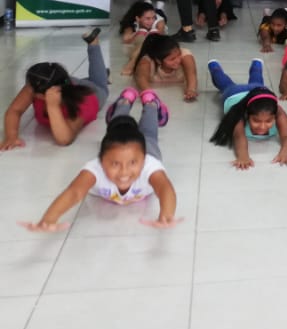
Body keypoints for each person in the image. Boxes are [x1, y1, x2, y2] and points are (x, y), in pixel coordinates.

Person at [19, 87, 178, 231]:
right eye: (115, 164)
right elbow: (74, 192)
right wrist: (49, 219)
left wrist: (167, 215)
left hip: (148, 148)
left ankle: (151, 104)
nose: (124, 171)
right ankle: (124, 101)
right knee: (116, 125)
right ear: (101, 160)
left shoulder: (149, 164)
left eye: (133, 163)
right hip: (124, 145)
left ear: (143, 161)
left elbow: (164, 188)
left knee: (149, 133)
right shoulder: (95, 168)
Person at [2, 27, 108, 149]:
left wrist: (53, 106)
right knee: (76, 81)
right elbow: (14, 110)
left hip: (93, 92)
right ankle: (88, 78)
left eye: (32, 89)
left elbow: (64, 139)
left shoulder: (83, 102)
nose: (29, 90)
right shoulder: (38, 84)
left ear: (45, 93)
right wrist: (11, 136)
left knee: (100, 83)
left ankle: (93, 44)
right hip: (65, 83)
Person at [208, 59, 287, 169]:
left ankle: (257, 64)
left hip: (258, 91)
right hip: (235, 92)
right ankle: (214, 66)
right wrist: (243, 156)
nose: (262, 127)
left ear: (275, 116)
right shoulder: (240, 114)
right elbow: (239, 137)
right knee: (225, 84)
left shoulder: (279, 112)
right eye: (256, 121)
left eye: (268, 121)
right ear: (247, 115)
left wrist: (285, 152)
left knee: (257, 84)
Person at [130, 33, 199, 102]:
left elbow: (192, 75)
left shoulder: (185, 56)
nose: (178, 60)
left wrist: (191, 90)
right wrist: (150, 95)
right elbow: (141, 80)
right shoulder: (146, 63)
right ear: (159, 61)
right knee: (136, 52)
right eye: (172, 59)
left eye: (179, 55)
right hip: (144, 53)